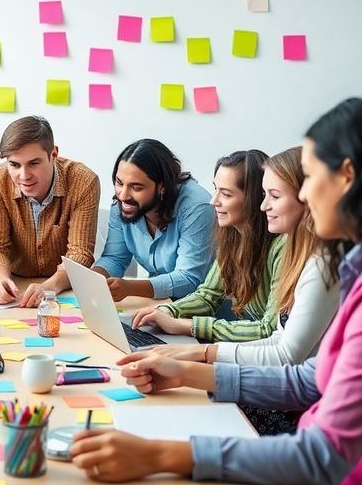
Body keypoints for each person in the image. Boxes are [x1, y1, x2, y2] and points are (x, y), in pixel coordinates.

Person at [69, 98, 362, 483]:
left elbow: (322, 459)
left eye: (310, 176)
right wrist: (186, 372)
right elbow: (310, 381)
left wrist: (160, 456)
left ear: (349, 178)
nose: (301, 194)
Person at [149, 147, 341, 365]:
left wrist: (194, 338)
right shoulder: (236, 238)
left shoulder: (306, 257)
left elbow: (278, 346)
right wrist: (167, 311)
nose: (264, 205)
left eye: (274, 196)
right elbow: (278, 339)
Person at [131, 150, 286, 343]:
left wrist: (187, 326)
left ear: (254, 199)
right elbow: (207, 296)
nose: (214, 201)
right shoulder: (233, 237)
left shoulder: (282, 247)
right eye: (216, 189)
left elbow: (268, 330)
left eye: (226, 194)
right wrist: (165, 311)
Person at [0, 115, 101, 308]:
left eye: (34, 163)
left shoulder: (84, 181)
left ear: (53, 155)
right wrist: (0, 280)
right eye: (14, 164)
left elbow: (80, 253)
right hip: (16, 289)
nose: (24, 176)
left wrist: (49, 287)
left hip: (63, 291)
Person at [92, 138, 214, 301]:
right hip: (162, 306)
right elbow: (115, 258)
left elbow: (188, 278)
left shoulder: (197, 207)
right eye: (119, 183)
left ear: (161, 186)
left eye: (136, 187)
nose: (123, 195)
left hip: (206, 310)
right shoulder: (123, 206)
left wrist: (129, 288)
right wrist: (93, 280)